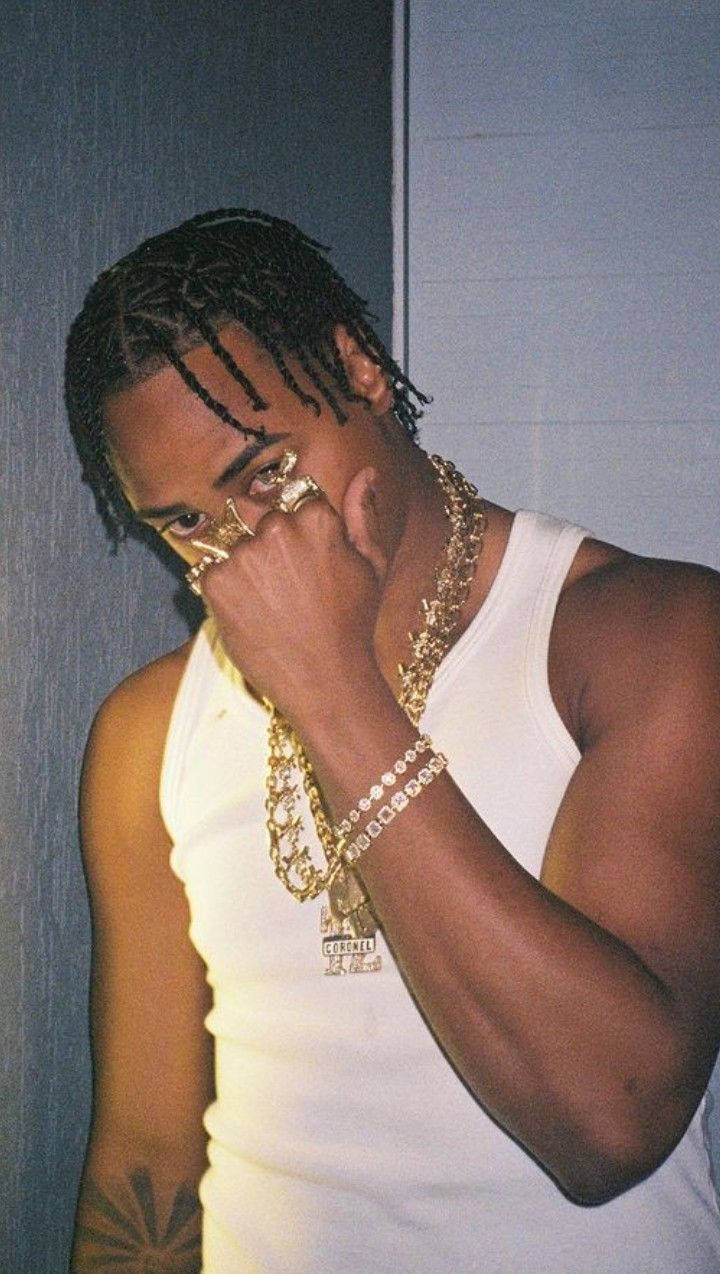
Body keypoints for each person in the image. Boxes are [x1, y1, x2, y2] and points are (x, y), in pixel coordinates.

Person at [65, 208, 720, 1272]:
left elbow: (611, 1123)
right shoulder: (148, 732)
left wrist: (335, 693)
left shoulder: (644, 633)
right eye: (183, 522)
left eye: (264, 471)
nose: (241, 548)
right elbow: (144, 1165)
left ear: (359, 369)